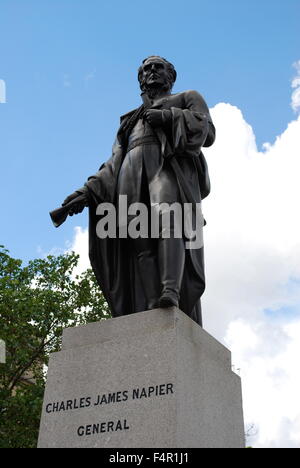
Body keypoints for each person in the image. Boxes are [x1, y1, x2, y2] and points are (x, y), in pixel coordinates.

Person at [60, 56, 215, 326]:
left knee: (169, 220)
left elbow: (207, 131)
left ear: (171, 75)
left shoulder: (187, 97)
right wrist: (87, 190)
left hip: (163, 165)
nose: (151, 71)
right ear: (140, 78)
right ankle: (152, 301)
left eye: (158, 67)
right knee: (138, 238)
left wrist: (167, 116)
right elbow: (113, 160)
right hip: (129, 171)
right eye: (146, 68)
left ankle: (170, 291)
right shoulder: (129, 120)